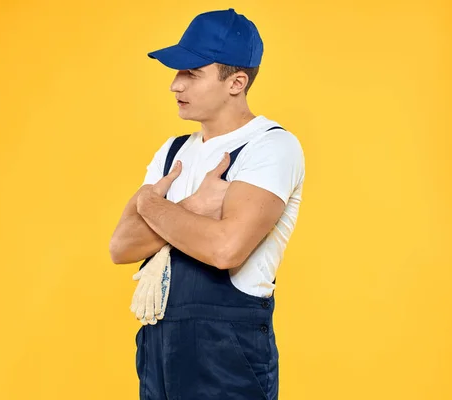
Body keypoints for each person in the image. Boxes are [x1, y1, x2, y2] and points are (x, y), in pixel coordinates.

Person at [109, 8, 305, 400]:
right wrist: (197, 206)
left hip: (226, 351)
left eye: (191, 74)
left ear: (236, 82)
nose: (174, 86)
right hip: (159, 344)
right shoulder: (172, 151)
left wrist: (153, 204)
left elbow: (225, 249)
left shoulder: (270, 147)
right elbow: (122, 246)